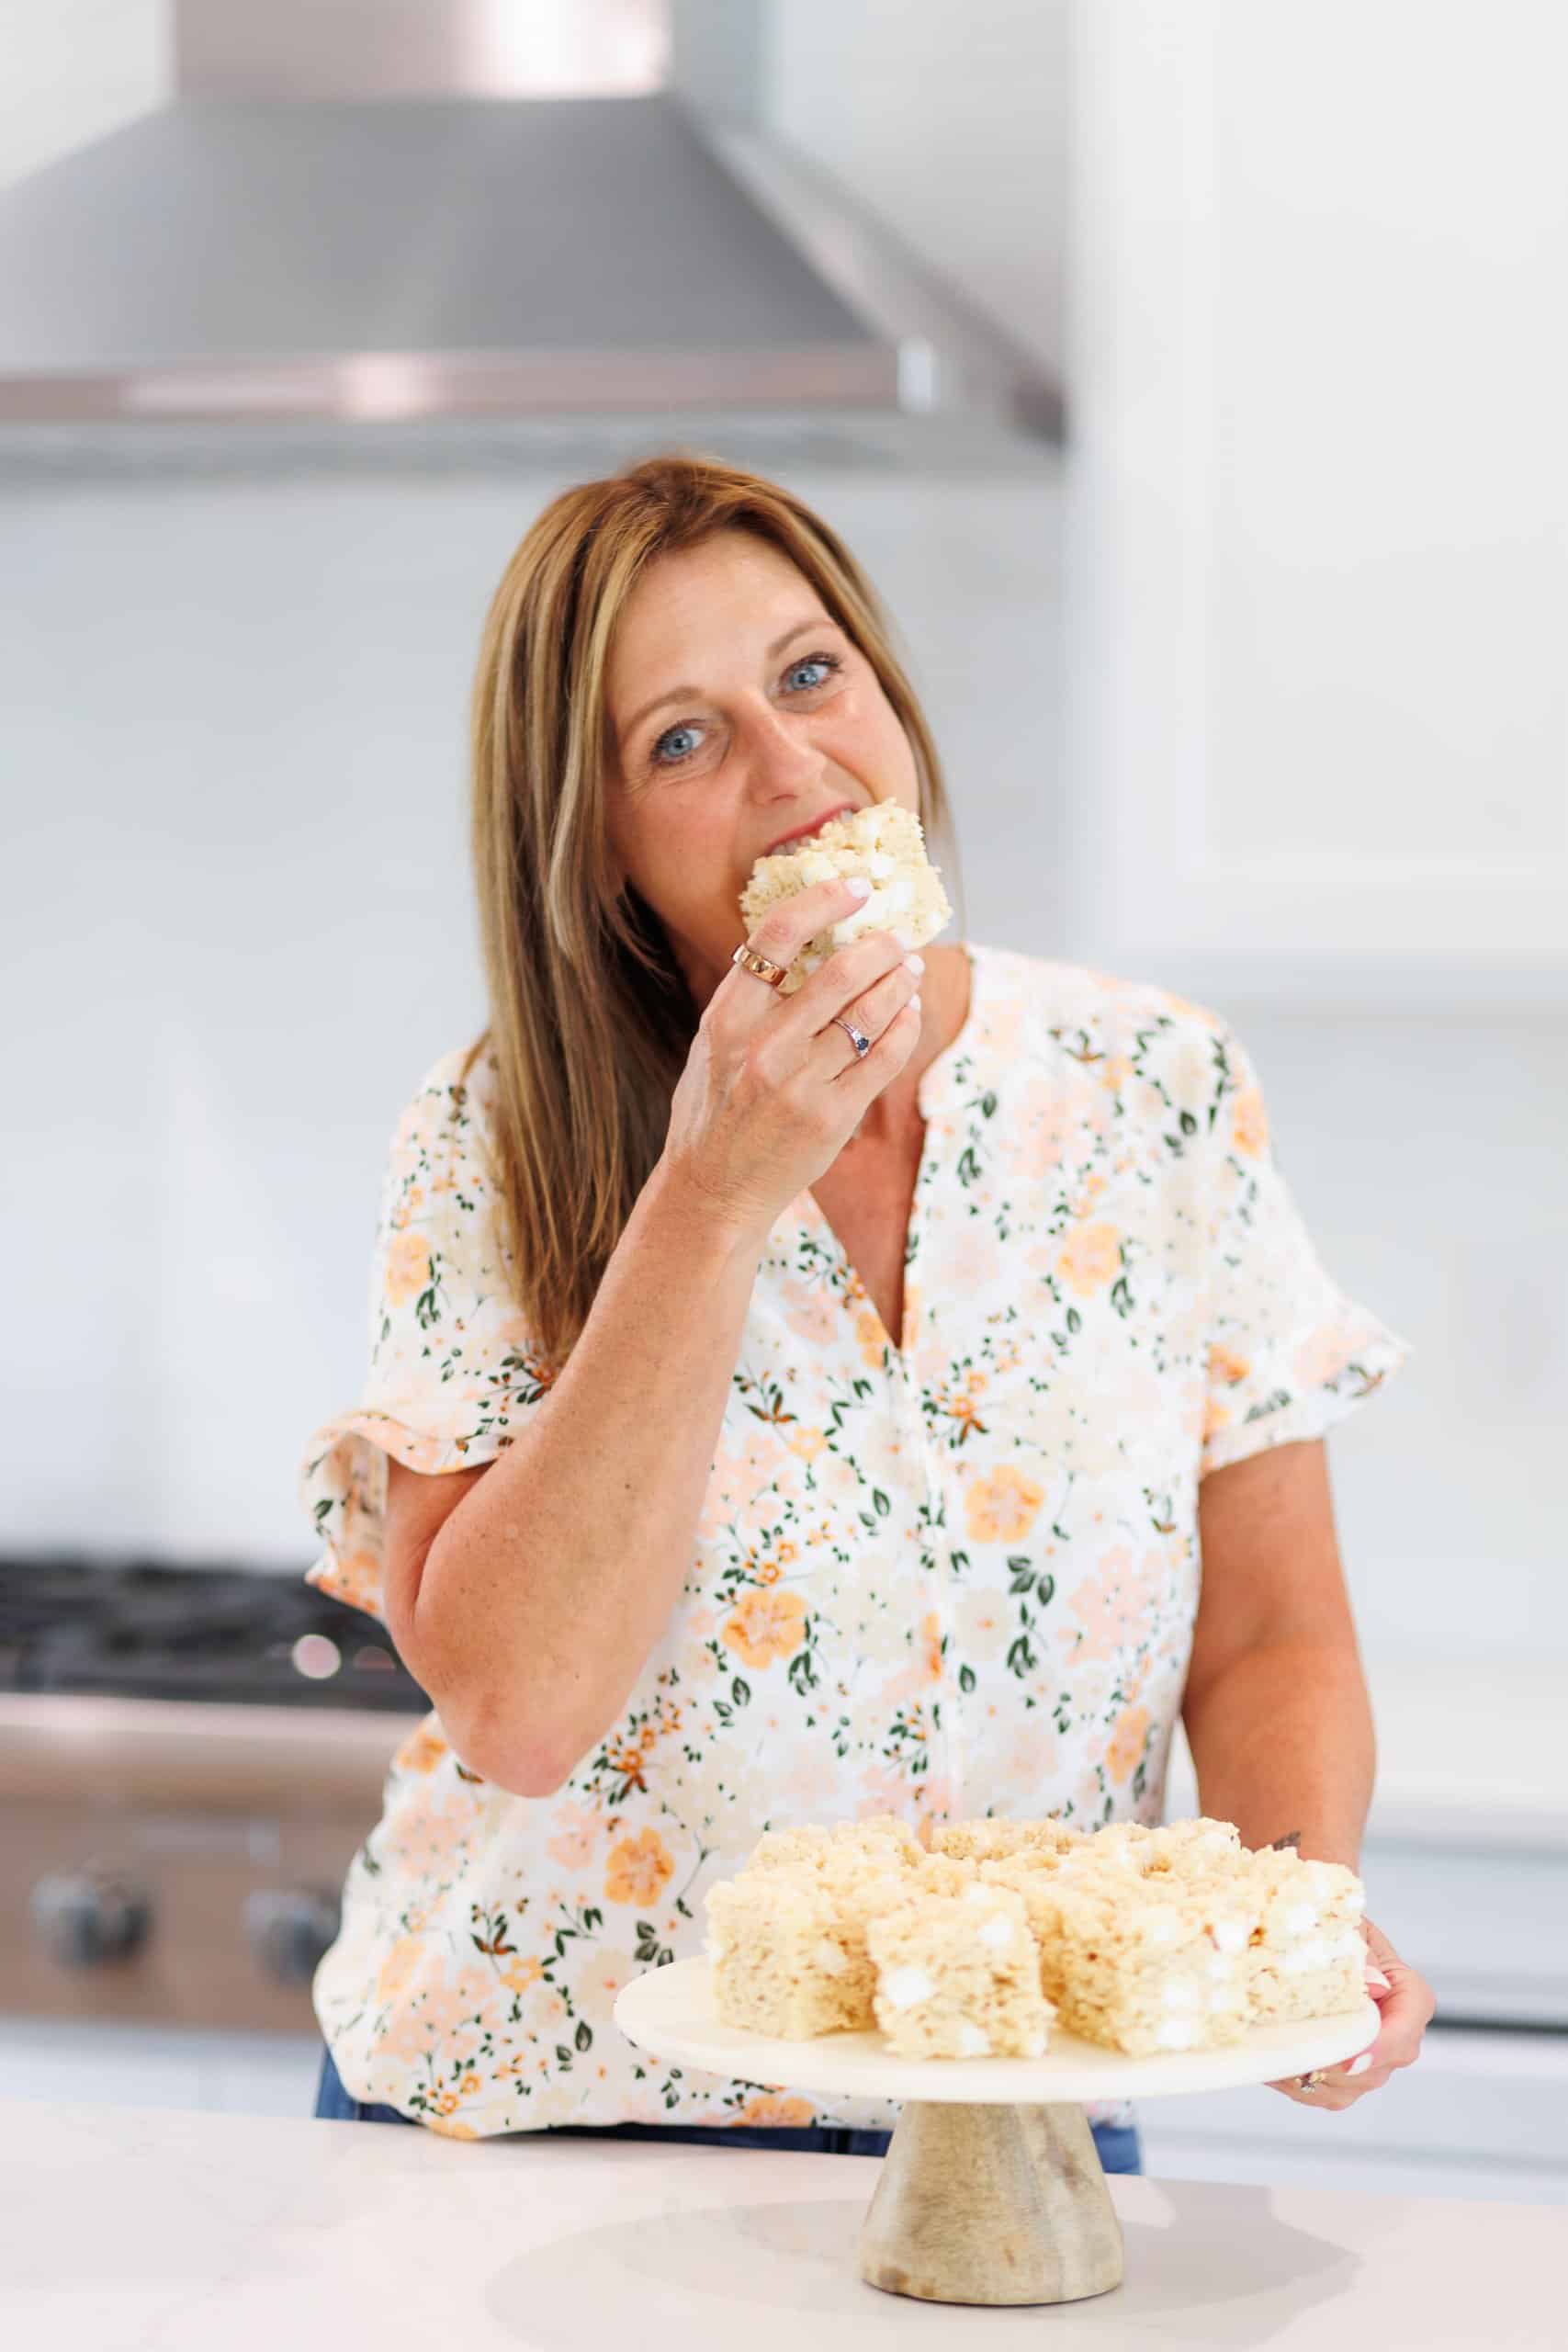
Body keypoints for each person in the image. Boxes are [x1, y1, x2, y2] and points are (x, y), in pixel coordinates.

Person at [298, 452, 1435, 2160]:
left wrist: (1286, 1927)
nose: (794, 768)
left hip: (1020, 2110)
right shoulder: (492, 1138)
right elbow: (518, 1713)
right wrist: (710, 1198)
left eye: (810, 673)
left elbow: (1271, 1634)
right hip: (553, 2128)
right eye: (682, 740)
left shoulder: (1153, 1088)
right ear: (603, 852)